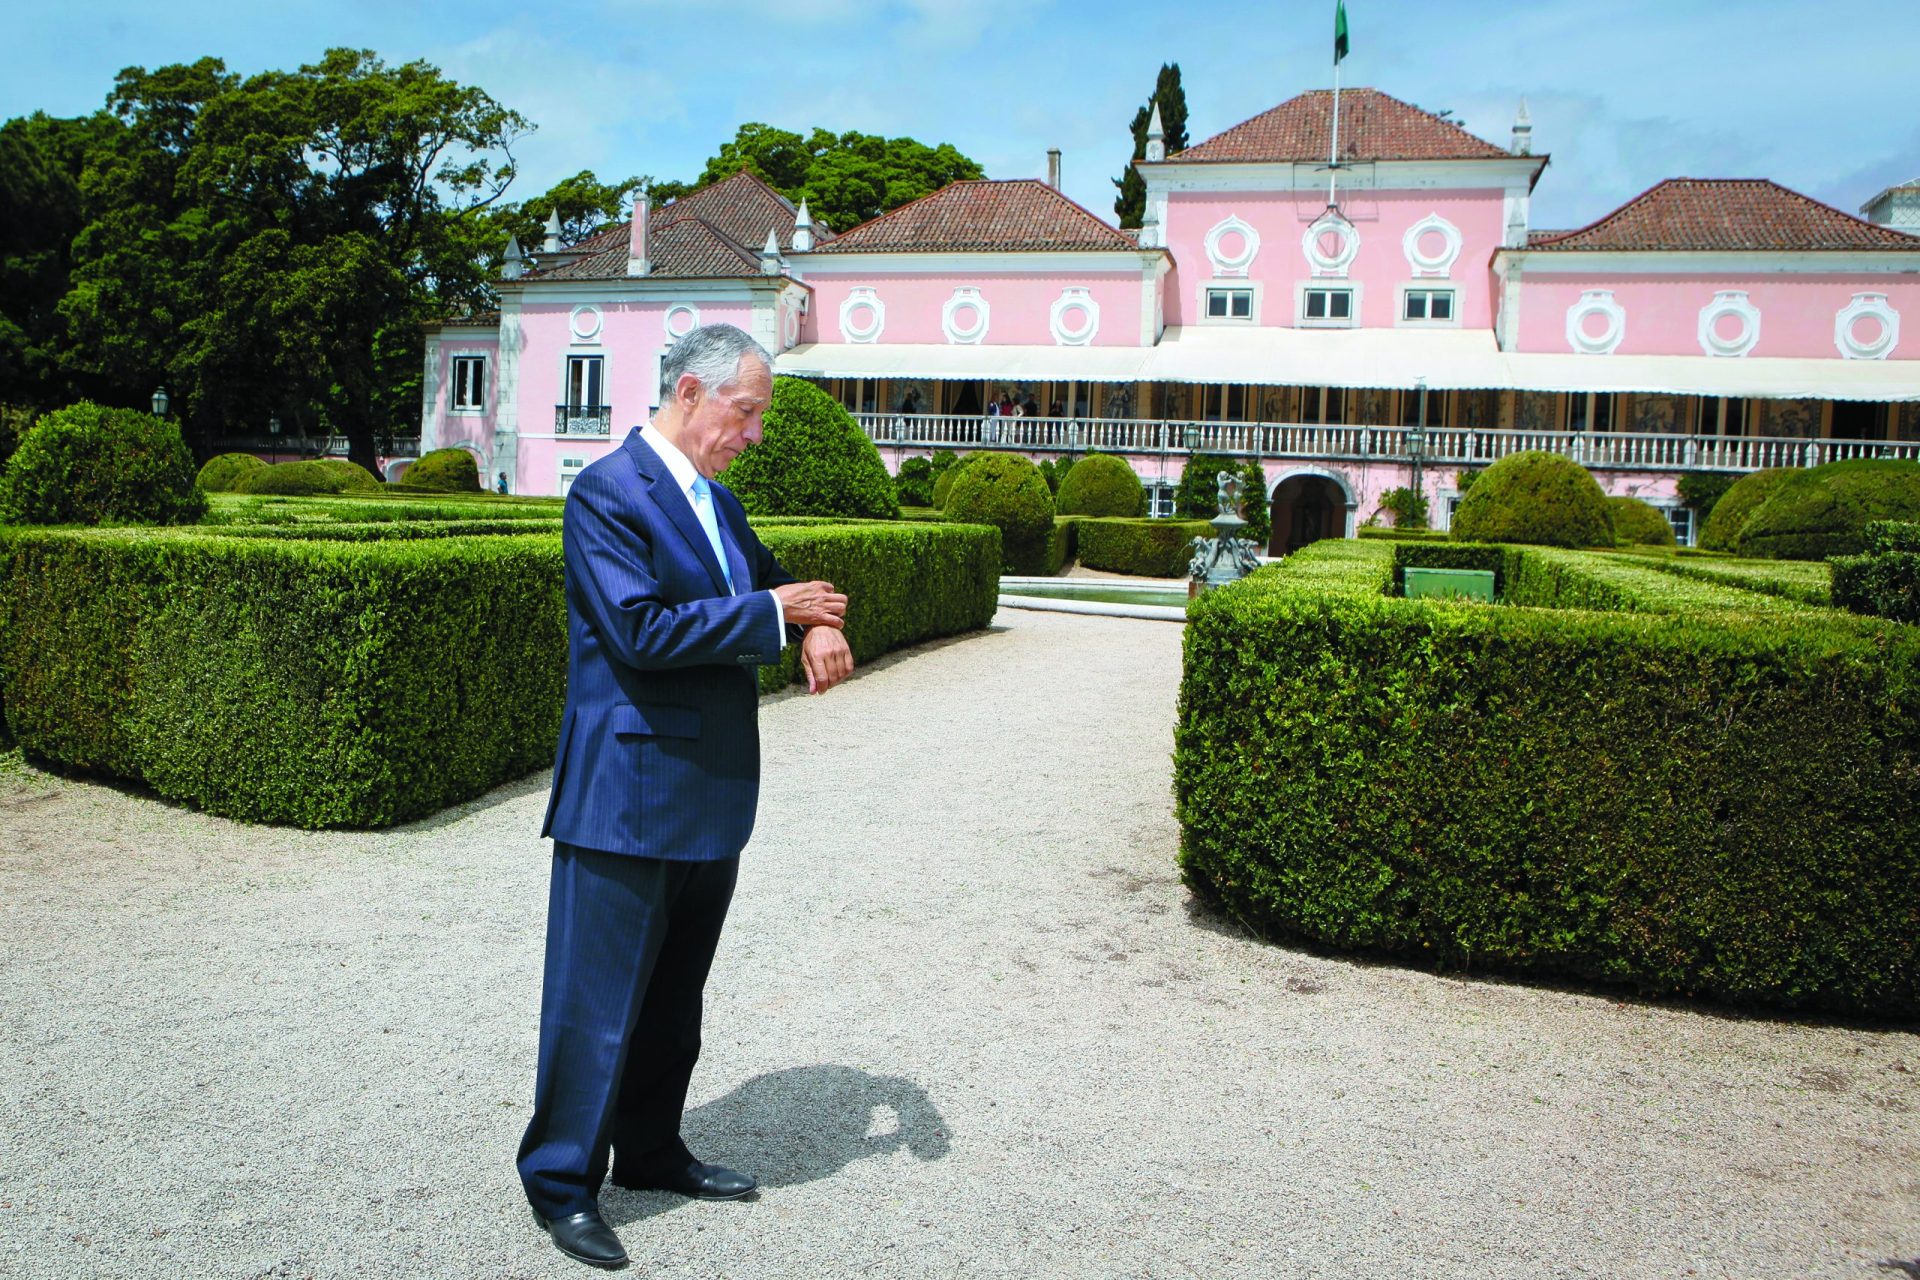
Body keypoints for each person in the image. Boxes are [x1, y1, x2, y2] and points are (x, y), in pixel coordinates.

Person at [518, 323, 855, 1270]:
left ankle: (653, 1150)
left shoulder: (717, 500)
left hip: (707, 789)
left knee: (672, 997)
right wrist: (777, 616)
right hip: (626, 790)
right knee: (595, 1004)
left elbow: (768, 582)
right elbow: (638, 630)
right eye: (746, 413)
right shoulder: (606, 492)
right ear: (693, 394)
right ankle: (560, 1183)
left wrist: (809, 618)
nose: (753, 432)